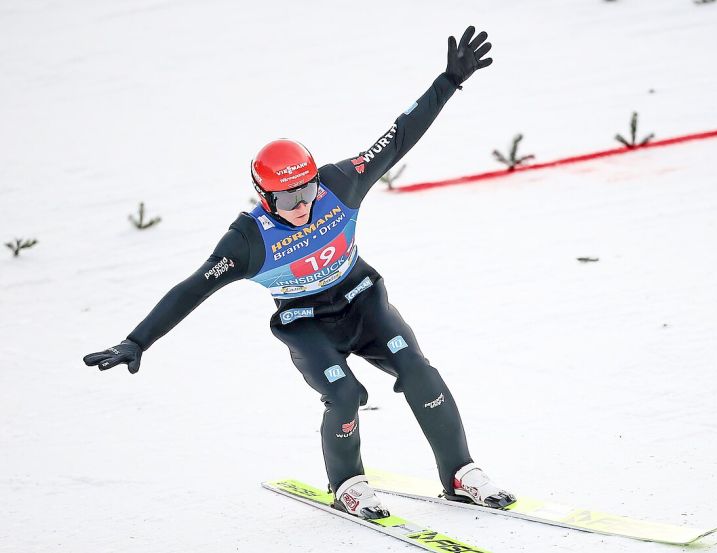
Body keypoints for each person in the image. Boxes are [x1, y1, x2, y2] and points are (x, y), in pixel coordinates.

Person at [82, 26, 514, 520]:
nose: (303, 205)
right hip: (306, 324)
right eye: (288, 198)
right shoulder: (247, 241)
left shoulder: (339, 183)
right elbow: (190, 290)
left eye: (306, 190)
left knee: (420, 372)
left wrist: (448, 81)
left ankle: (459, 474)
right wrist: (137, 342)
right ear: (264, 196)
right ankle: (348, 485)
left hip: (364, 301)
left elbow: (396, 138)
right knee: (346, 394)